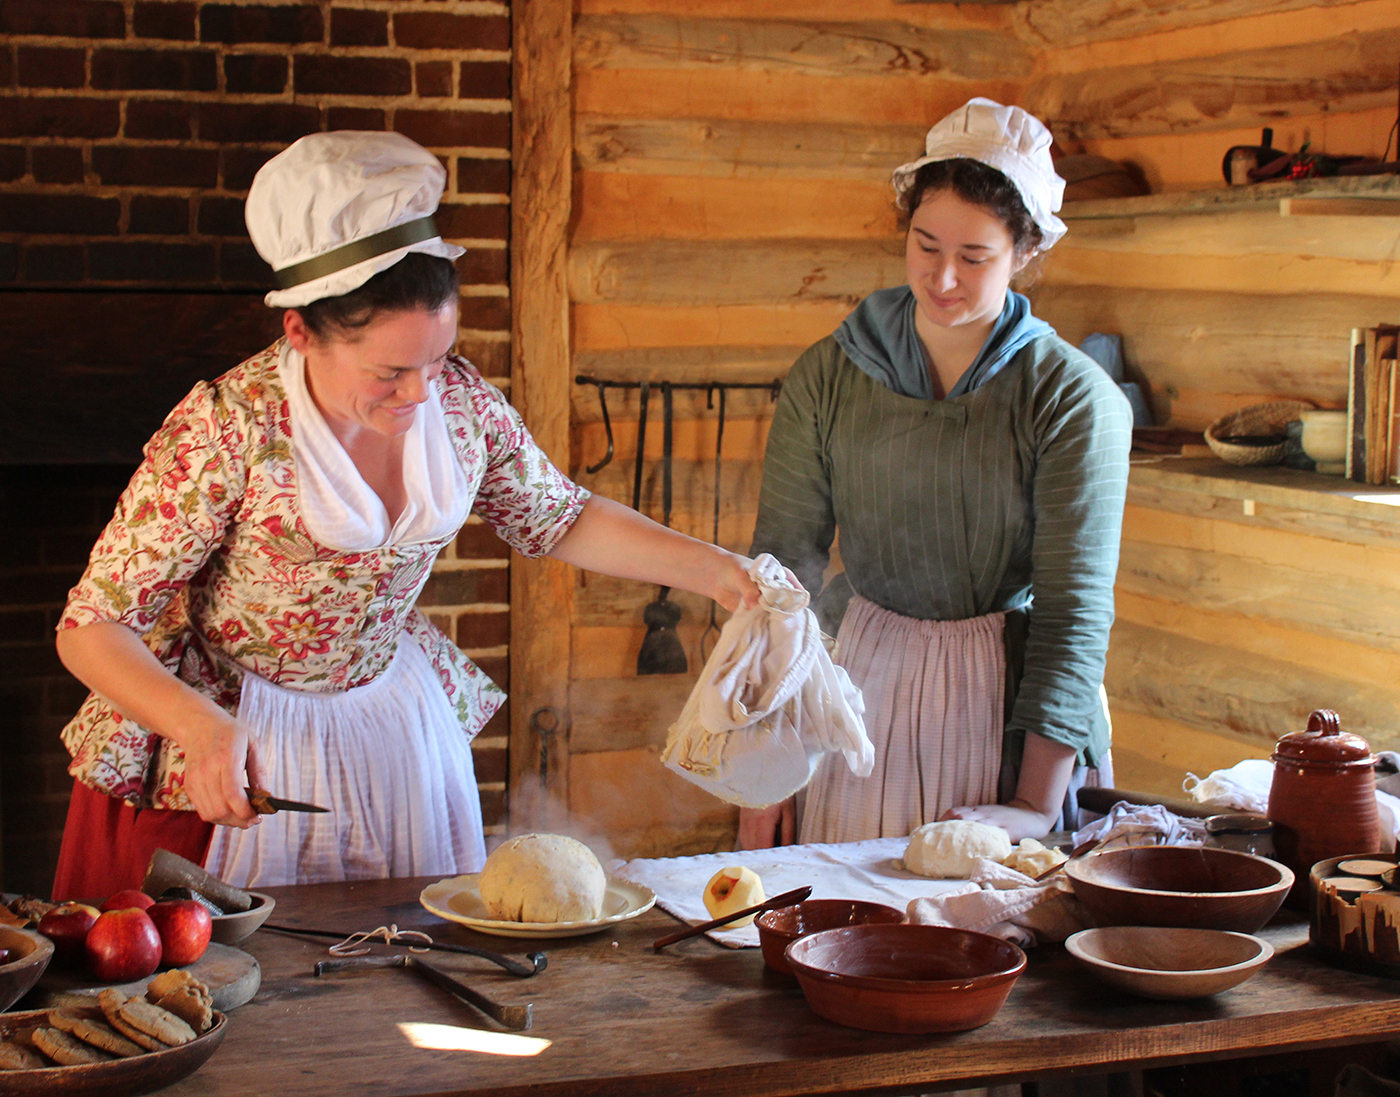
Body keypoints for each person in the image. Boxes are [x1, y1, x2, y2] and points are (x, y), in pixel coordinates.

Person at [52, 131, 761, 898]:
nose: (422, 391)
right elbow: (90, 626)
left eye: (436, 356)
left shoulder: (459, 404)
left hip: (394, 729)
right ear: (300, 332)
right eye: (390, 370)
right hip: (241, 734)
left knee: (401, 961)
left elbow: (560, 516)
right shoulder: (231, 428)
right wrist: (196, 725)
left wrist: (720, 573)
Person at [740, 98, 1131, 851]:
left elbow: (1071, 611)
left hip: (1014, 721)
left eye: (975, 257)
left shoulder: (1070, 398)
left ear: (1024, 251)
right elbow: (782, 581)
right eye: (926, 245)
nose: (943, 277)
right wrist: (766, 770)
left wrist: (1033, 803)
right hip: (858, 702)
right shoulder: (830, 375)